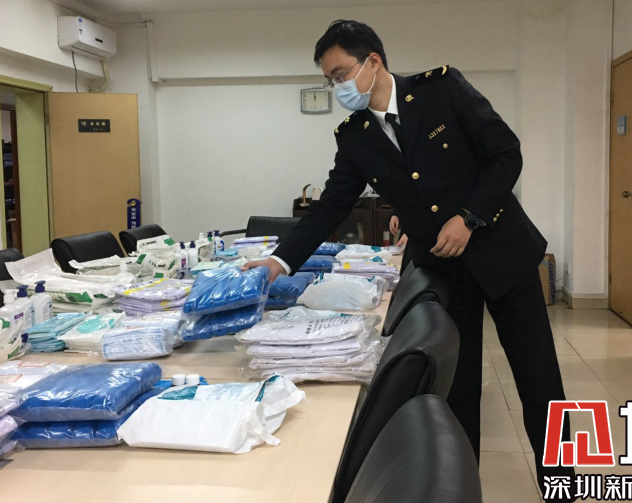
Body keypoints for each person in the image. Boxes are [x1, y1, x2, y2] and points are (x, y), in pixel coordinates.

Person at [243, 19, 574, 499]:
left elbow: (506, 155)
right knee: (458, 394)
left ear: (373, 62)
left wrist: (468, 218)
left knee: (540, 383)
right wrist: (279, 261)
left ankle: (565, 489)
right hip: (446, 269)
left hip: (504, 253)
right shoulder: (355, 136)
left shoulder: (442, 90)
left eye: (340, 74)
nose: (337, 87)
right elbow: (332, 206)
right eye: (330, 80)